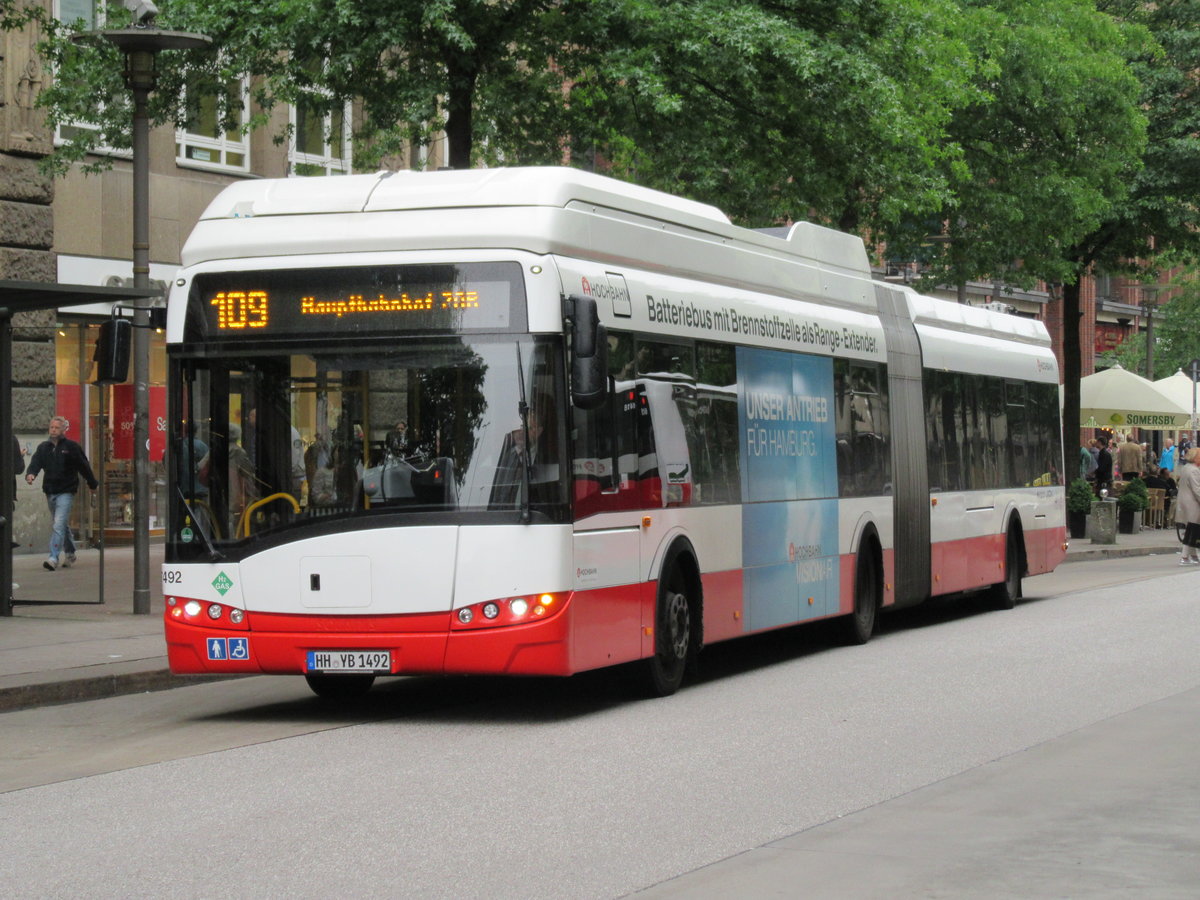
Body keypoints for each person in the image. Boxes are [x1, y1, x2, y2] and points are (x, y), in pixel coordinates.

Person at [24, 416, 98, 571]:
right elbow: (36, 463)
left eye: (57, 428)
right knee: (61, 524)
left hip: (66, 491)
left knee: (57, 524)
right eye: (51, 427)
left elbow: (84, 466)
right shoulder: (44, 447)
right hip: (50, 490)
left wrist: (92, 484)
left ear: (64, 429)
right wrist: (31, 474)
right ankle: (70, 553)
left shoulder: (71, 447)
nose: (53, 430)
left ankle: (53, 558)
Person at [1175, 447, 1200, 565]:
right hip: (1193, 504)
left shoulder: (1185, 468)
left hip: (1184, 502)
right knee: (1192, 530)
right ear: (1196, 458)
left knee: (1191, 529)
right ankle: (1184, 556)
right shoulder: (1194, 470)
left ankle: (1193, 555)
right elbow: (1197, 490)